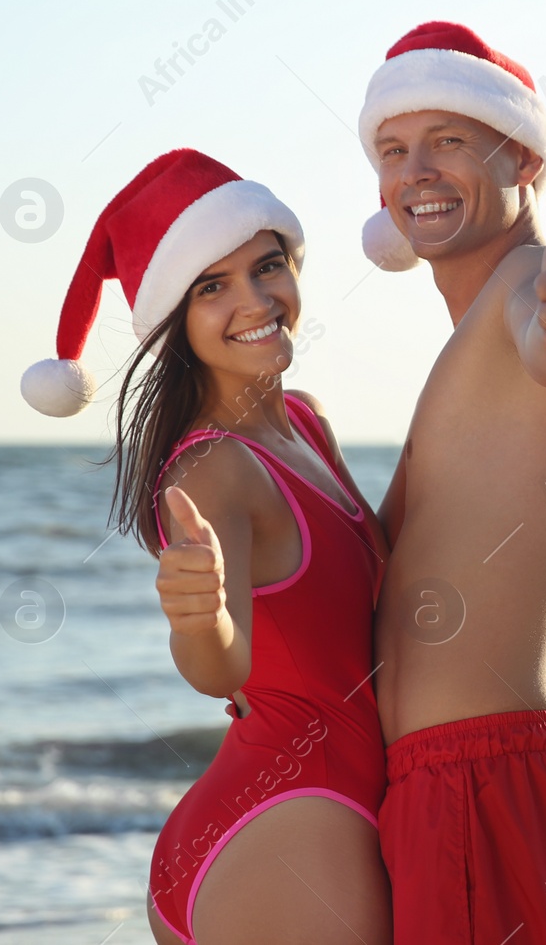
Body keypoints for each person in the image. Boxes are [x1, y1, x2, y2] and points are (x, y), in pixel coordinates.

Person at [20, 149, 392, 945]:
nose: (256, 300)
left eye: (268, 266)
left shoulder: (309, 425)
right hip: (288, 821)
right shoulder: (213, 466)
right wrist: (201, 618)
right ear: (176, 322)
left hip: (299, 814)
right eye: (212, 287)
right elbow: (219, 667)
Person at [357, 22, 546, 943]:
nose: (419, 171)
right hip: (485, 787)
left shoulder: (528, 286)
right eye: (395, 150)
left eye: (450, 140)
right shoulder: (470, 337)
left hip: (497, 792)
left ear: (522, 154)